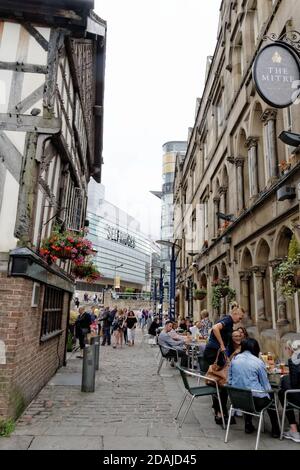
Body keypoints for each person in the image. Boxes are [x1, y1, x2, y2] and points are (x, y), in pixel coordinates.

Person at [228, 338, 280, 438]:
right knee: (270, 397)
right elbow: (265, 384)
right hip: (255, 401)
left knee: (248, 392)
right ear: (255, 349)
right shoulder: (258, 362)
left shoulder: (234, 359)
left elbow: (229, 380)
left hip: (237, 399)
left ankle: (248, 424)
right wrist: (271, 392)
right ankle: (275, 429)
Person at [203, 306, 245, 425]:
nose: (240, 320)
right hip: (214, 353)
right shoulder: (228, 320)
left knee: (219, 382)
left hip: (214, 353)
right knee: (221, 383)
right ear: (235, 314)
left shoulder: (229, 322)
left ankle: (220, 411)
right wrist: (222, 345)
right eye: (240, 317)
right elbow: (215, 328)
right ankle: (220, 413)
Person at [278, 339, 300, 443]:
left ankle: (294, 430)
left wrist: (284, 379)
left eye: (287, 348)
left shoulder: (293, 360)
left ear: (291, 349)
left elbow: (295, 383)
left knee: (282, 393)